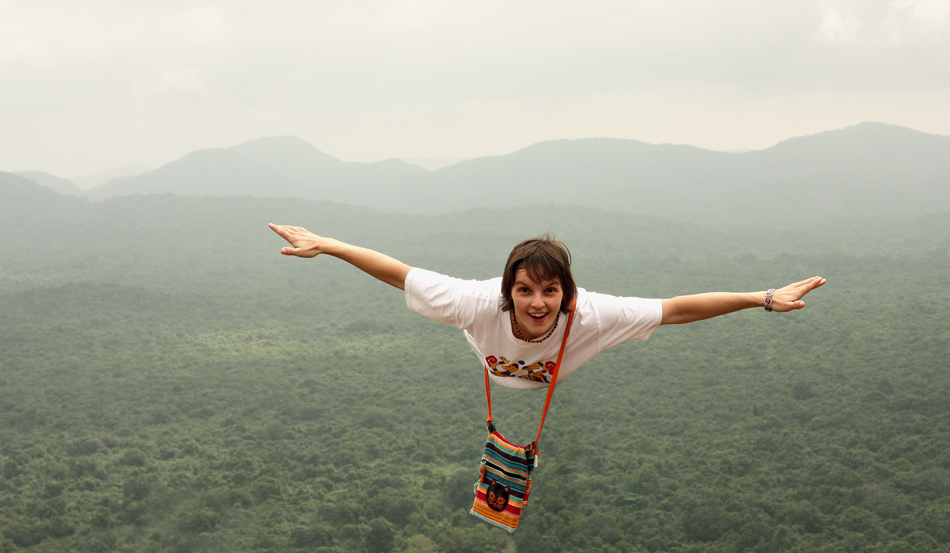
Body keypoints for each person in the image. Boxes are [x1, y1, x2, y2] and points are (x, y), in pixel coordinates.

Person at [268, 224, 825, 389]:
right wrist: (331, 246)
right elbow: (398, 272)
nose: (538, 303)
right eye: (525, 290)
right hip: (488, 355)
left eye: (550, 291)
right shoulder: (476, 303)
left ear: (568, 295)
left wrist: (765, 298)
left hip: (541, 369)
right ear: (507, 290)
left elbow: (676, 308)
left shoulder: (592, 315)